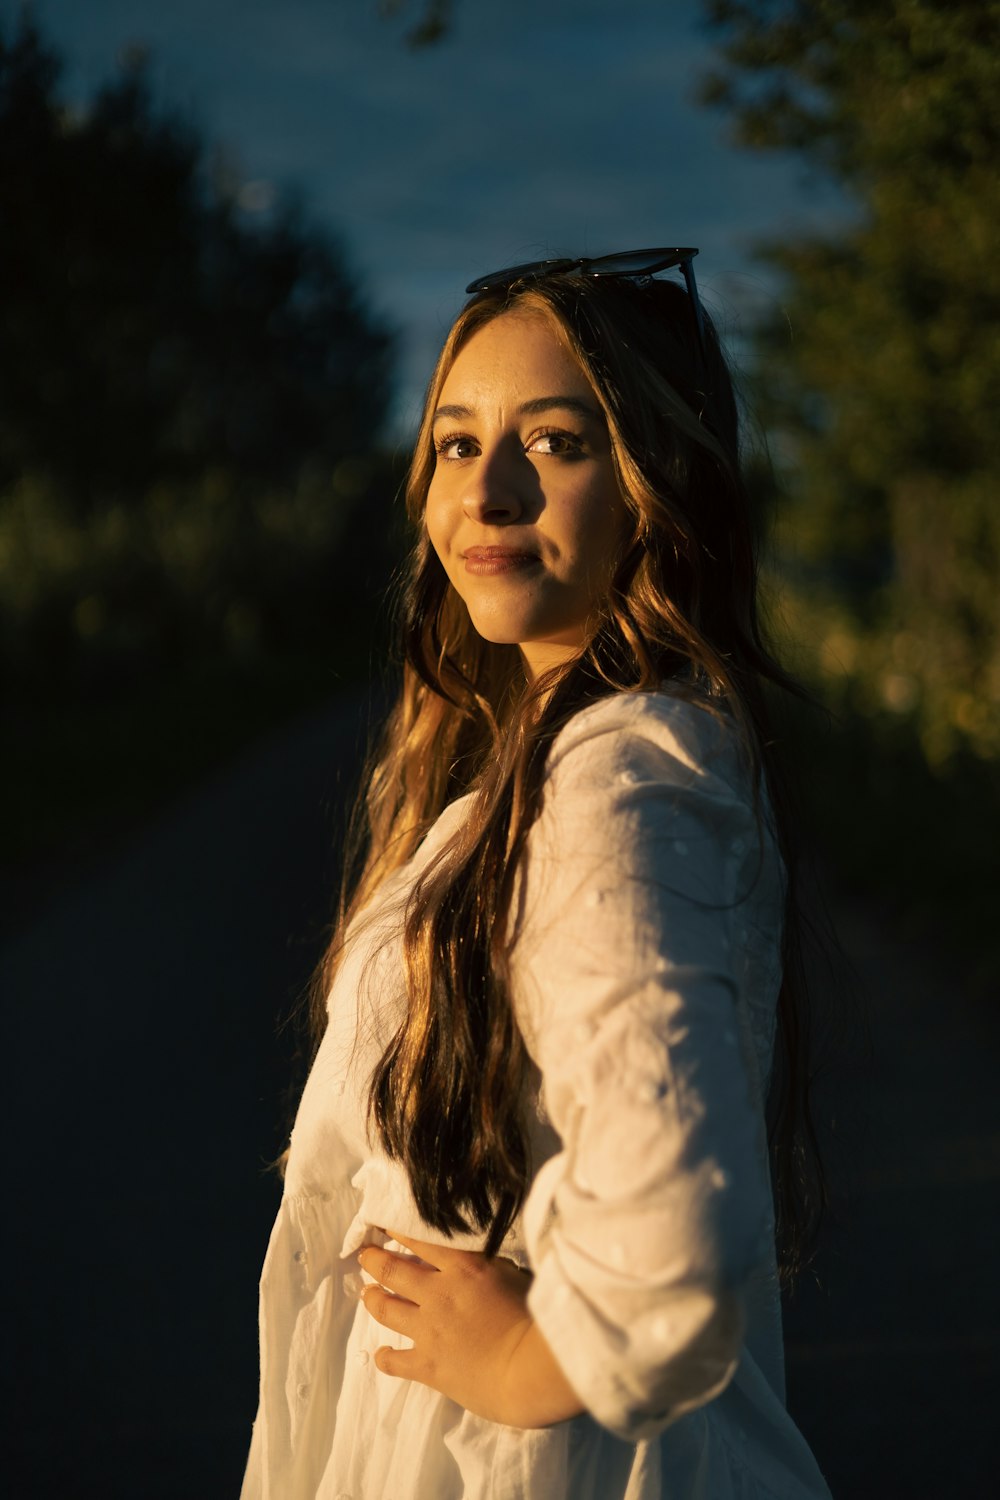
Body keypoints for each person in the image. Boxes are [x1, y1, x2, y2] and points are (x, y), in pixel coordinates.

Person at [240, 248, 834, 1499]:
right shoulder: (539, 770)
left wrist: (531, 1359)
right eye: (456, 445)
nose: (490, 491)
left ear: (653, 486)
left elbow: (669, 1236)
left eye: (557, 443)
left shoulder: (619, 774)